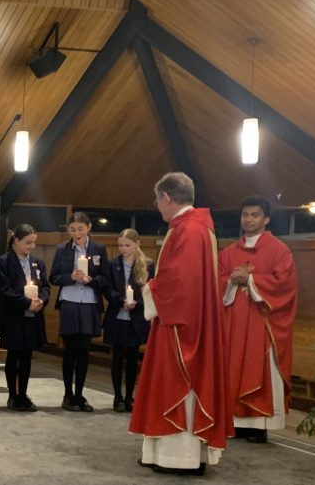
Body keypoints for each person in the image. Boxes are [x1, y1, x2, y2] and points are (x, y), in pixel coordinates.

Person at [130, 172, 230, 476]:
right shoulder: (197, 227)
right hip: (191, 320)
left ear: (167, 198)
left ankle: (179, 458)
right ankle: (167, 454)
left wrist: (150, 288)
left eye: (157, 201)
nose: (158, 207)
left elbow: (179, 282)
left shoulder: (188, 229)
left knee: (176, 384)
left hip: (181, 326)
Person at [220, 195, 298, 444]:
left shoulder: (279, 250)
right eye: (245, 215)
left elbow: (284, 285)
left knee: (259, 368)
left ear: (266, 219)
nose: (249, 219)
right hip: (234, 323)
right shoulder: (229, 252)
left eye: (255, 215)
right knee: (232, 368)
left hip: (261, 324)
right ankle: (233, 421)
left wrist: (251, 280)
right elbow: (216, 280)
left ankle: (258, 426)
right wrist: (230, 281)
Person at [49, 212, 110, 413]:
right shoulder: (62, 249)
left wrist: (91, 280)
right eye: (73, 229)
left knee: (84, 350)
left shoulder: (99, 249)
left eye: (80, 229)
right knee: (70, 349)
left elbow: (105, 278)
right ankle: (68, 394)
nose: (77, 233)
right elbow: (54, 277)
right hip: (69, 301)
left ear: (89, 227)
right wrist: (71, 277)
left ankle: (80, 394)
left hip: (89, 303)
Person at [0, 223, 50, 412]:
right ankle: (13, 394)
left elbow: (45, 287)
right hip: (14, 315)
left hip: (33, 316)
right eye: (28, 243)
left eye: (34, 243)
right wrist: (26, 302)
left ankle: (23, 394)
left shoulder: (37, 263)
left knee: (27, 355)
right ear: (16, 241)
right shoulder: (3, 262)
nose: (32, 246)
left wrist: (41, 300)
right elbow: (4, 290)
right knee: (14, 355)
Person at [105, 229, 155, 412]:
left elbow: (151, 290)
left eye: (127, 245)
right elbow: (108, 288)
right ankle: (117, 397)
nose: (123, 249)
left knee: (133, 360)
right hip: (118, 317)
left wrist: (137, 303)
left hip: (136, 318)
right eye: (120, 245)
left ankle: (129, 397)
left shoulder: (147, 265)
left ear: (137, 244)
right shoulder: (113, 264)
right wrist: (121, 301)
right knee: (117, 359)